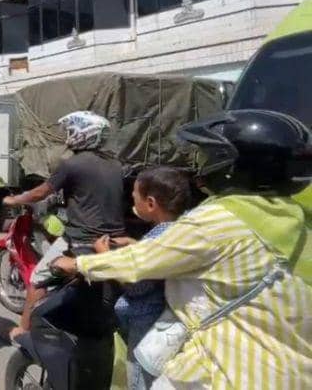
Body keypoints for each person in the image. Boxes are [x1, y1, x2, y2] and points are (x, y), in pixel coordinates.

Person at [52, 109, 312, 389]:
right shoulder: (294, 217)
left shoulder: (218, 220)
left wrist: (78, 264)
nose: (203, 164)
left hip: (234, 369)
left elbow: (141, 263)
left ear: (233, 165)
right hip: (293, 368)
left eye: (211, 156)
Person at [2, 110, 124, 340]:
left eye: (70, 131)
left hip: (80, 240)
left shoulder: (73, 164)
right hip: (115, 239)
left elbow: (41, 192)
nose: (67, 135)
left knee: (37, 279)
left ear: (82, 134)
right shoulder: (116, 165)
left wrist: (14, 199)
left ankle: (23, 331)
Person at [95, 166, 193, 390]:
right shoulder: (181, 228)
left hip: (148, 323)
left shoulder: (158, 238)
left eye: (134, 198)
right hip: (172, 320)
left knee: (140, 380)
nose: (132, 202)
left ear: (150, 203)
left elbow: (137, 286)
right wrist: (134, 244)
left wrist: (106, 256)